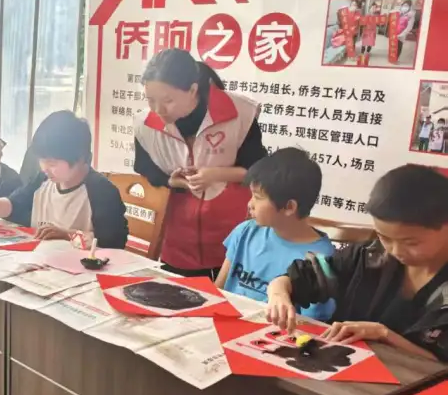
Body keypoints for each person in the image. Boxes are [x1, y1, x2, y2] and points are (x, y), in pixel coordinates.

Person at [266, 165, 448, 361]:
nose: (395, 251)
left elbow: (439, 364)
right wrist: (278, 294)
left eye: (411, 242)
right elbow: (301, 277)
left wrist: (384, 334)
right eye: (384, 237)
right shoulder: (369, 256)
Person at [134, 47, 266, 277]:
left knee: (224, 295)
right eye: (150, 100)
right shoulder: (145, 124)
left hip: (230, 234)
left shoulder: (239, 113)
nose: (158, 110)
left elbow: (259, 170)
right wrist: (172, 181)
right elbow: (144, 168)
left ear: (193, 90)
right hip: (177, 236)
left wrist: (215, 174)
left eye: (168, 100)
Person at [0, 111, 128, 247]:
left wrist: (67, 235)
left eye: (52, 163)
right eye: (42, 160)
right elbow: (15, 204)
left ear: (81, 159)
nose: (44, 168)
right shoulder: (43, 180)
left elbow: (114, 242)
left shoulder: (102, 192)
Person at [215, 148, 336, 321]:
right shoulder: (246, 231)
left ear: (289, 207)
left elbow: (313, 326)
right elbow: (218, 292)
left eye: (257, 197)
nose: (250, 204)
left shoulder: (321, 260)